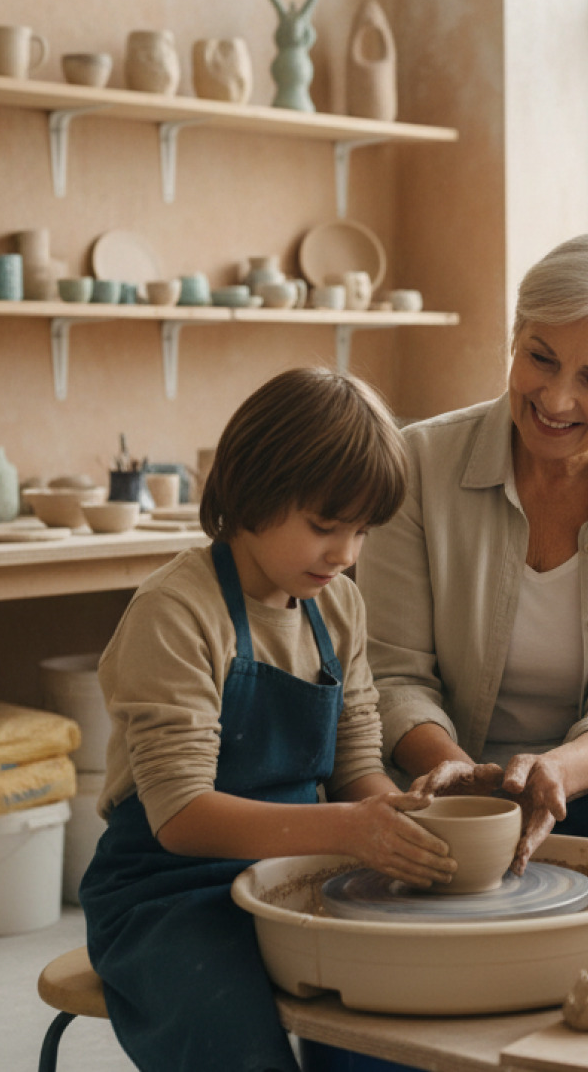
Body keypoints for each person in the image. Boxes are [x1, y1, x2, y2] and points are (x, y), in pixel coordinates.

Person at [79, 369, 453, 1072]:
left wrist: (412, 821)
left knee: (396, 1024)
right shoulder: (177, 610)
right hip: (168, 889)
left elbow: (354, 768)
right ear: (254, 490)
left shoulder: (337, 607)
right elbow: (181, 815)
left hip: (299, 869)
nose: (345, 554)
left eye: (361, 531)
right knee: (237, 1045)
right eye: (324, 526)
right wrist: (349, 829)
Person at [361, 231, 588, 920]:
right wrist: (458, 772)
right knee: (377, 913)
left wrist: (556, 771)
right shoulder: (417, 464)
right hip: (435, 763)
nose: (555, 399)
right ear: (516, 337)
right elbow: (393, 673)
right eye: (540, 358)